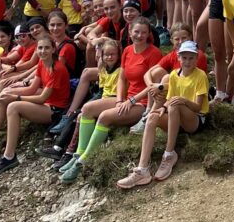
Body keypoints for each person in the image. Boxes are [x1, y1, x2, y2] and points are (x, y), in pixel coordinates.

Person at [60, 19, 162, 183]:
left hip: (142, 103)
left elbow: (153, 85)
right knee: (87, 108)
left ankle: (83, 161)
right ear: (130, 33)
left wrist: (131, 100)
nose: (140, 35)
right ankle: (78, 153)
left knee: (104, 117)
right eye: (136, 32)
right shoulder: (128, 50)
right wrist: (120, 99)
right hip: (126, 98)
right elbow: (122, 77)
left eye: (144, 32)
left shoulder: (154, 53)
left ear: (149, 34)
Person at [0, 36, 71, 175]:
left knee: (13, 106)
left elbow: (41, 98)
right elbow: (32, 89)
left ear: (53, 49)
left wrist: (16, 97)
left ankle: (9, 157)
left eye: (47, 48)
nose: (43, 51)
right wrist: (8, 94)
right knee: (3, 96)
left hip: (54, 110)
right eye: (40, 48)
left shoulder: (57, 68)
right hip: (46, 104)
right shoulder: (42, 63)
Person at [117, 40, 209, 189]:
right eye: (184, 57)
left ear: (196, 59)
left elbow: (198, 107)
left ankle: (169, 153)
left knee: (174, 104)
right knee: (152, 117)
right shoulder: (173, 75)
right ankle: (142, 169)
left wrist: (182, 101)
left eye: (191, 58)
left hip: (195, 119)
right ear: (178, 58)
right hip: (176, 114)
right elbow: (169, 98)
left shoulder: (201, 76)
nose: (187, 61)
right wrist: (162, 108)